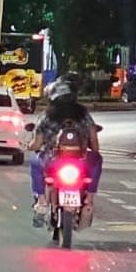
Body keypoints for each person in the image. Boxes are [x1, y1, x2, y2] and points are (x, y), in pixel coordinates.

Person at [27, 77, 102, 227]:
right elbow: (95, 144)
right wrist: (92, 151)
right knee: (97, 160)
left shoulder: (46, 116)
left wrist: (30, 146)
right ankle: (90, 198)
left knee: (35, 163)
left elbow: (36, 145)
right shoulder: (83, 114)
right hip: (81, 161)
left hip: (52, 161)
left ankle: (41, 201)